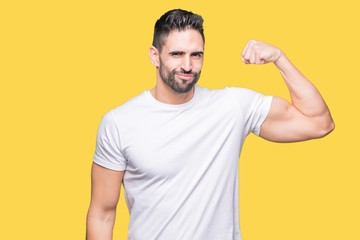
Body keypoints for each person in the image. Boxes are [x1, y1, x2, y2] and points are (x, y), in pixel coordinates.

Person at [86, 9, 334, 240]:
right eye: (176, 54)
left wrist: (279, 57)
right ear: (155, 55)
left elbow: (319, 122)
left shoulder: (232, 106)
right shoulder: (119, 122)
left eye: (196, 55)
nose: (187, 65)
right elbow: (102, 214)